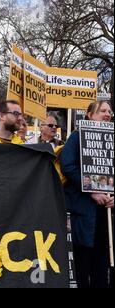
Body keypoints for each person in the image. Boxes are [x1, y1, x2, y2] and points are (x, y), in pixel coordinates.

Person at [60, 100, 114, 288]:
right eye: (103, 111)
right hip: (83, 213)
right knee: (82, 266)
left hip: (106, 216)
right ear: (90, 115)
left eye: (110, 111)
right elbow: (68, 166)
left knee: (102, 267)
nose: (108, 114)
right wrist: (92, 191)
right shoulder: (77, 137)